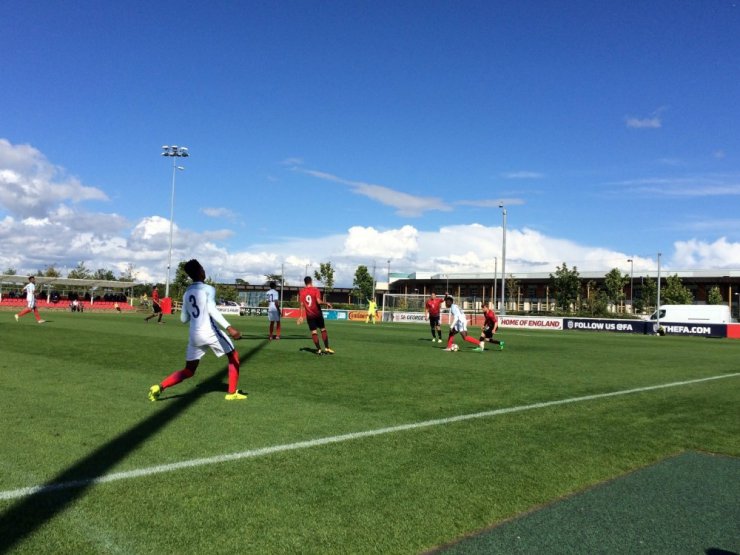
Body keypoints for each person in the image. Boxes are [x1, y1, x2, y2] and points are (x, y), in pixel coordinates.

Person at [148, 259, 246, 402]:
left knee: (189, 370)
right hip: (210, 332)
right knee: (233, 356)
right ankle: (231, 393)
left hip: (194, 336)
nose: (204, 271)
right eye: (202, 268)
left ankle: (159, 387)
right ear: (200, 272)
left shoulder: (187, 293)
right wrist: (229, 328)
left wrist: (195, 312)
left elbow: (183, 319)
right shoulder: (208, 289)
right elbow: (212, 309)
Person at [297, 276, 334, 355]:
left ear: (305, 282)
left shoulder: (302, 291)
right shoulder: (316, 290)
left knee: (314, 332)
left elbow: (301, 304)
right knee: (323, 329)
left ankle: (319, 349)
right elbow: (318, 301)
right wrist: (326, 303)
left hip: (309, 315)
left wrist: (300, 316)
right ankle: (327, 348)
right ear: (311, 281)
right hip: (318, 314)